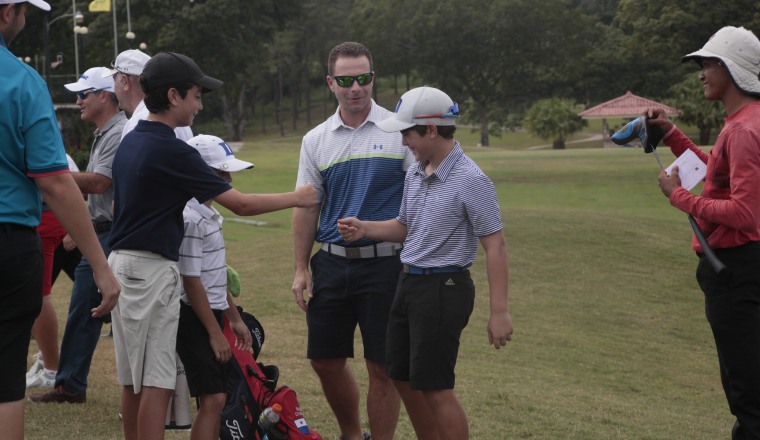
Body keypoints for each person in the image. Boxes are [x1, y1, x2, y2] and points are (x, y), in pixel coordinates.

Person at [107, 51, 316, 440]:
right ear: (173, 96)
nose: (199, 105)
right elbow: (240, 203)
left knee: (133, 379)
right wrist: (299, 197)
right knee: (157, 379)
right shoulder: (172, 149)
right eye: (196, 95)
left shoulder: (132, 141)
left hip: (125, 266)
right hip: (150, 271)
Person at [337, 86, 513, 440]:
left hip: (444, 289)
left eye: (407, 133)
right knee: (400, 375)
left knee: (435, 387)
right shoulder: (416, 172)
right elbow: (405, 227)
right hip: (410, 284)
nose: (404, 141)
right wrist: (365, 228)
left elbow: (495, 245)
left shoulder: (471, 180)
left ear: (431, 129)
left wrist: (500, 312)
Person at [292, 41, 435, 440]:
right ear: (331, 83)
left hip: (387, 263)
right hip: (332, 262)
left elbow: (422, 200)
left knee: (383, 366)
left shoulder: (398, 132)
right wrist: (301, 267)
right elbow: (306, 206)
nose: (355, 88)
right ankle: (353, 434)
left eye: (363, 78)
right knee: (324, 359)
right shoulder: (315, 140)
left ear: (373, 78)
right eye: (345, 80)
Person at [0, 2, 120, 439]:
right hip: (9, 239)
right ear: (8, 12)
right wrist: (101, 269)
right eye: (25, 11)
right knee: (5, 380)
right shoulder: (21, 80)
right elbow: (54, 183)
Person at [650, 26, 760, 440]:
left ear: (731, 69)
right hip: (735, 268)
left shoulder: (744, 130)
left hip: (735, 270)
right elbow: (715, 172)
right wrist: (671, 135)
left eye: (709, 63)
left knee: (747, 393)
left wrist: (679, 197)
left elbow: (744, 214)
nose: (702, 73)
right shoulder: (743, 122)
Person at [30, 66, 127, 404]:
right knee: (90, 307)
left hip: (112, 233)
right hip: (102, 230)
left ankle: (69, 384)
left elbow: (101, 183)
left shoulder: (118, 131)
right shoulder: (107, 131)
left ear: (105, 96)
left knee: (91, 306)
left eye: (84, 94)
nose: (78, 100)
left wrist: (50, 177)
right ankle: (69, 383)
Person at [176, 134, 254, 440]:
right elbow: (191, 282)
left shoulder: (210, 215)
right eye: (222, 174)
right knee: (213, 398)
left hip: (211, 314)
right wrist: (213, 332)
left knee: (216, 397)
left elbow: (213, 276)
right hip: (192, 317)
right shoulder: (191, 219)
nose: (230, 180)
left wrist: (234, 319)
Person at [26, 155, 81, 389]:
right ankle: (47, 360)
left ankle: (51, 367)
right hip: (46, 217)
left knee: (39, 294)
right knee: (36, 293)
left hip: (44, 218)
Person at [104, 48, 193, 141]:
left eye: (114, 79)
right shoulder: (174, 116)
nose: (114, 88)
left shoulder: (140, 124)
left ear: (125, 81)